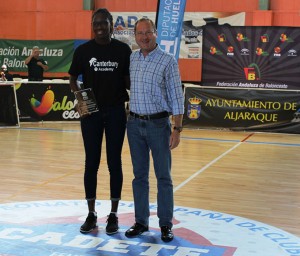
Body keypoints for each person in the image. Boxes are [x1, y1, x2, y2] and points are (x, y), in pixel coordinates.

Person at [68, 8, 131, 235]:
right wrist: (79, 98)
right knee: (91, 163)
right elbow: (73, 79)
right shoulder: (83, 50)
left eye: (104, 23)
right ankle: (91, 213)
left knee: (115, 163)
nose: (100, 28)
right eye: (96, 24)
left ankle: (113, 215)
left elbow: (129, 82)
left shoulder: (123, 50)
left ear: (112, 24)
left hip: (115, 112)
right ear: (92, 26)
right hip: (91, 113)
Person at [125, 18, 184, 242]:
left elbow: (177, 97)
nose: (144, 37)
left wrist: (177, 128)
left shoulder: (168, 61)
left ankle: (165, 224)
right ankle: (141, 222)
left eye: (148, 32)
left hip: (159, 125)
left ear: (155, 33)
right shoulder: (132, 58)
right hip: (134, 124)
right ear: (135, 35)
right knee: (139, 176)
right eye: (140, 33)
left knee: (163, 177)